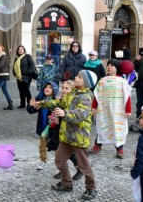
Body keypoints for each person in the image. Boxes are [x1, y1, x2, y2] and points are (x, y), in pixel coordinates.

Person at [37, 70, 98, 200]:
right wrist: (42, 103)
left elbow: (81, 114)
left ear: (86, 83)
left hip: (79, 137)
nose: (76, 77)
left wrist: (65, 114)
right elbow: (58, 103)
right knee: (59, 160)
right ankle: (66, 183)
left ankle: (91, 188)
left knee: (84, 165)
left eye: (79, 77)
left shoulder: (87, 96)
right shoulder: (73, 93)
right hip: (66, 136)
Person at [32, 80, 83, 180]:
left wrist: (59, 118)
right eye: (63, 88)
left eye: (67, 88)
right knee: (56, 147)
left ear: (73, 90)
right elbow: (54, 106)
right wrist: (41, 104)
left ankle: (78, 168)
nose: (64, 90)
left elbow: (73, 115)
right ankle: (64, 170)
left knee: (65, 150)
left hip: (67, 129)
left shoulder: (74, 100)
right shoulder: (61, 99)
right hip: (57, 128)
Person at [90, 59, 132, 159]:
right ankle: (97, 145)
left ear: (117, 68)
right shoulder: (102, 81)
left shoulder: (122, 81)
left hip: (118, 110)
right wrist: (94, 106)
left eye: (112, 65)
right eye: (108, 65)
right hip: (104, 110)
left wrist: (128, 110)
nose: (109, 67)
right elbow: (97, 95)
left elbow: (127, 96)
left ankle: (119, 148)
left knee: (118, 128)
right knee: (102, 126)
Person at [27, 81, 59, 170]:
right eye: (46, 87)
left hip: (53, 129)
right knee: (42, 146)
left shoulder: (56, 101)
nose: (47, 88)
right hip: (43, 128)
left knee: (54, 147)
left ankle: (61, 161)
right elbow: (31, 111)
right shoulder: (40, 99)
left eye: (50, 87)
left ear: (54, 90)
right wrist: (30, 105)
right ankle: (43, 161)